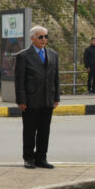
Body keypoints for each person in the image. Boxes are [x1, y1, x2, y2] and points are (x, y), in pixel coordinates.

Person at [15, 26, 60, 169]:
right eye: (40, 37)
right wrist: (21, 100)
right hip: (31, 100)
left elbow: (56, 78)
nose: (44, 39)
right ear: (32, 38)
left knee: (44, 131)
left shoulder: (53, 54)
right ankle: (28, 158)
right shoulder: (23, 55)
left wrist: (56, 97)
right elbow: (19, 80)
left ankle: (41, 158)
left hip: (47, 99)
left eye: (46, 36)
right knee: (29, 131)